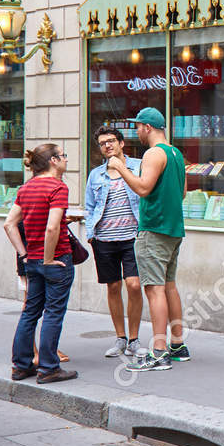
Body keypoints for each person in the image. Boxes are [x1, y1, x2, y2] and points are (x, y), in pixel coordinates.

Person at [113, 108, 190, 372]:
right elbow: (182, 192)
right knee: (169, 286)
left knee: (154, 289)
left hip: (154, 229)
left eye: (138, 127)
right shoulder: (176, 153)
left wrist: (121, 167)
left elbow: (144, 188)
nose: (136, 132)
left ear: (147, 127)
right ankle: (178, 345)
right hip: (173, 229)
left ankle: (159, 352)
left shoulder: (153, 153)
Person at [3, 143, 78, 384]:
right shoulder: (58, 187)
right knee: (53, 313)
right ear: (54, 161)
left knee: (30, 312)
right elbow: (53, 226)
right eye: (63, 156)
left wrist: (24, 254)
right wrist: (48, 258)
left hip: (32, 261)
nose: (66, 160)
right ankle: (48, 368)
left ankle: (21, 365)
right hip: (55, 260)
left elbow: (9, 224)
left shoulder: (26, 188)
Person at [84, 126, 144, 359]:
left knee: (134, 285)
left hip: (133, 237)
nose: (107, 145)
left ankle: (134, 339)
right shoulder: (96, 175)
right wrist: (91, 233)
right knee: (113, 287)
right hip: (104, 239)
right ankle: (120, 338)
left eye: (111, 141)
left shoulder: (138, 166)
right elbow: (90, 207)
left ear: (121, 143)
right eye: (102, 143)